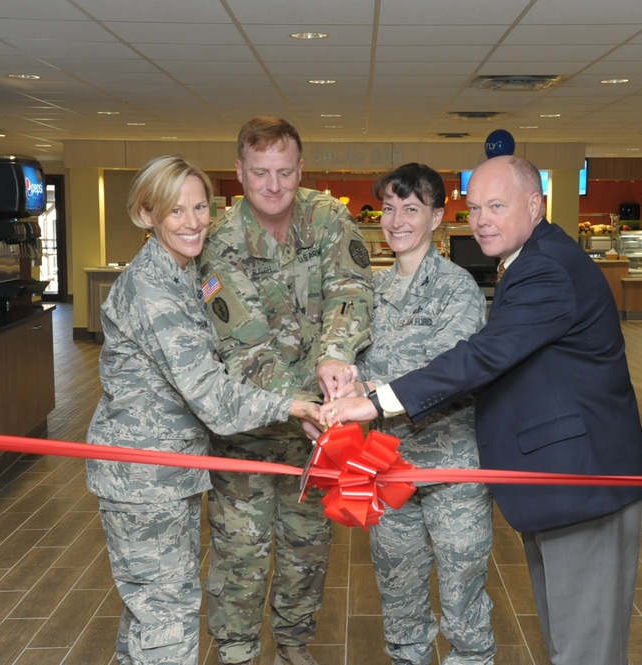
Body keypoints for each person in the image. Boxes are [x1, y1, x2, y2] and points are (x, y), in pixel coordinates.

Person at [321, 155, 642, 665]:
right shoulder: (532, 261)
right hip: (550, 482)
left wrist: (375, 402)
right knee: (570, 641)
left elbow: (480, 359)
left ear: (535, 204)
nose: (481, 220)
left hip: (582, 483)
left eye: (496, 206)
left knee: (584, 647)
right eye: (475, 207)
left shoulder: (545, 267)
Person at [85, 154, 322, 665]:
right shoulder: (152, 288)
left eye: (200, 208)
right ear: (146, 215)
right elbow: (210, 394)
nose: (193, 223)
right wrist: (293, 403)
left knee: (150, 610)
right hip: (145, 477)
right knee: (167, 615)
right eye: (176, 212)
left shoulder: (184, 273)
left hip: (172, 472)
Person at [199, 116, 373, 665]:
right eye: (260, 174)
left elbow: (352, 286)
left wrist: (336, 356)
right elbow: (244, 346)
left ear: (301, 170)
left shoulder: (328, 216)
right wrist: (299, 405)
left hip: (317, 435)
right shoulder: (219, 243)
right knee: (240, 554)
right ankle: (236, 652)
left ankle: (294, 645)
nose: (273, 187)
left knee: (307, 552)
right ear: (239, 173)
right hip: (250, 435)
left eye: (284, 172)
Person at [350, 163, 495, 664]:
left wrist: (369, 388)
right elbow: (348, 361)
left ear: (437, 218)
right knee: (400, 600)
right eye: (389, 209)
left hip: (451, 468)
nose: (396, 221)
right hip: (388, 469)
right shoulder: (370, 292)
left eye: (411, 209)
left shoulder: (458, 289)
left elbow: (449, 372)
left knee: (463, 603)